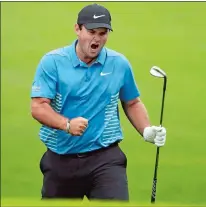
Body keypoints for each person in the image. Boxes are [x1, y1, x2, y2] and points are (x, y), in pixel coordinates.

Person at [30, 3, 167, 201]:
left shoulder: (118, 63)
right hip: (61, 158)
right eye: (91, 31)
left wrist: (146, 130)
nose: (97, 39)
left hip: (106, 159)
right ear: (77, 29)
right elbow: (38, 106)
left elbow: (132, 102)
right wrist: (66, 124)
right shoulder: (52, 62)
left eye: (102, 33)